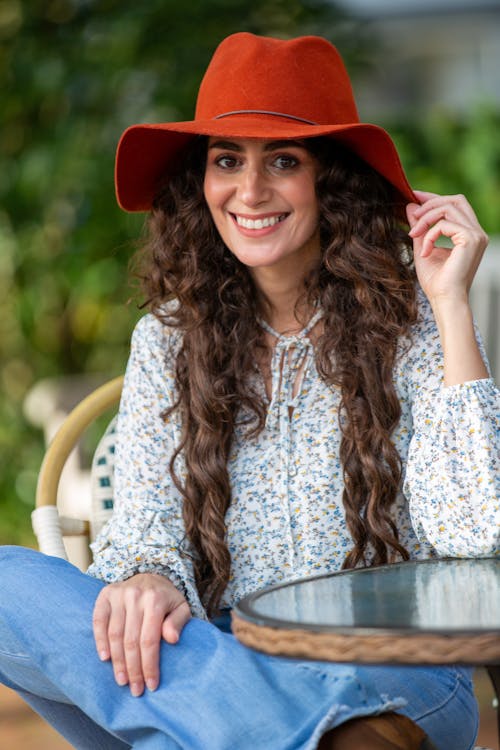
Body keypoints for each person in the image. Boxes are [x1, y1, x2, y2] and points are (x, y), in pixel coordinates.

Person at [0, 32, 498, 750]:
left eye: (284, 161)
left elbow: (480, 533)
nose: (251, 191)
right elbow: (144, 532)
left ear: (332, 180)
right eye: (226, 160)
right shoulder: (169, 338)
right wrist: (148, 577)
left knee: (175, 725)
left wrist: (452, 306)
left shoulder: (414, 318)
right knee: (11, 582)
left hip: (390, 672)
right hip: (225, 660)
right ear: (199, 184)